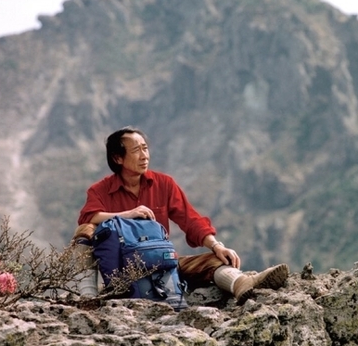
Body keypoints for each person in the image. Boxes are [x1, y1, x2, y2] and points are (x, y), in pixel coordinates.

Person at [73, 126, 289, 304]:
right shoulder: (100, 190)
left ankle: (243, 284)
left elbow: (191, 220)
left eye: (145, 148)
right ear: (118, 158)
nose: (144, 155)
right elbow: (87, 218)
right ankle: (88, 297)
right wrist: (126, 215)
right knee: (85, 230)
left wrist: (216, 245)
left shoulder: (164, 184)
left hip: (162, 264)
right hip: (124, 270)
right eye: (136, 150)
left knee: (213, 260)